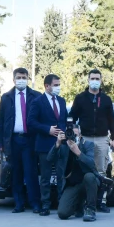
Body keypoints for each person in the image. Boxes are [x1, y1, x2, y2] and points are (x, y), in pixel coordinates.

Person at [68, 68, 114, 212]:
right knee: (87, 170)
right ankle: (86, 200)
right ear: (88, 80)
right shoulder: (80, 98)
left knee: (101, 170)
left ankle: (99, 201)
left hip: (102, 139)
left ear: (101, 81)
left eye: (97, 79)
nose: (95, 81)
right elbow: (71, 116)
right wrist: (74, 127)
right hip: (86, 139)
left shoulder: (106, 99)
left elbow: (112, 120)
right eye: (93, 78)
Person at [0, 68, 42, 213]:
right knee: (16, 173)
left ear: (28, 78)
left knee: (31, 173)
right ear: (13, 79)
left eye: (24, 77)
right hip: (13, 140)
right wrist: (0, 143)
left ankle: (35, 203)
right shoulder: (6, 97)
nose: (21, 79)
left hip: (30, 140)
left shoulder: (36, 96)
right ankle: (19, 203)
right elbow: (1, 122)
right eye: (19, 77)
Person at [29, 74, 68, 216]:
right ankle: (45, 205)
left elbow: (64, 120)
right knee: (45, 177)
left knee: (61, 175)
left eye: (59, 84)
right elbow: (31, 122)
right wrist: (47, 129)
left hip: (61, 144)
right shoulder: (38, 102)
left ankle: (62, 204)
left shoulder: (62, 101)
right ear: (47, 86)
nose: (58, 87)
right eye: (55, 85)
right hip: (45, 145)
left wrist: (65, 133)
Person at [52, 119, 100, 222]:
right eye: (70, 134)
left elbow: (92, 164)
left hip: (86, 182)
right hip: (73, 184)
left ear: (80, 135)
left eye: (75, 135)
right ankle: (78, 204)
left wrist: (78, 153)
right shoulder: (64, 146)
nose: (72, 137)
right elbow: (49, 159)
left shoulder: (88, 144)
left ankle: (90, 209)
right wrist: (57, 144)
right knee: (62, 213)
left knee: (89, 176)